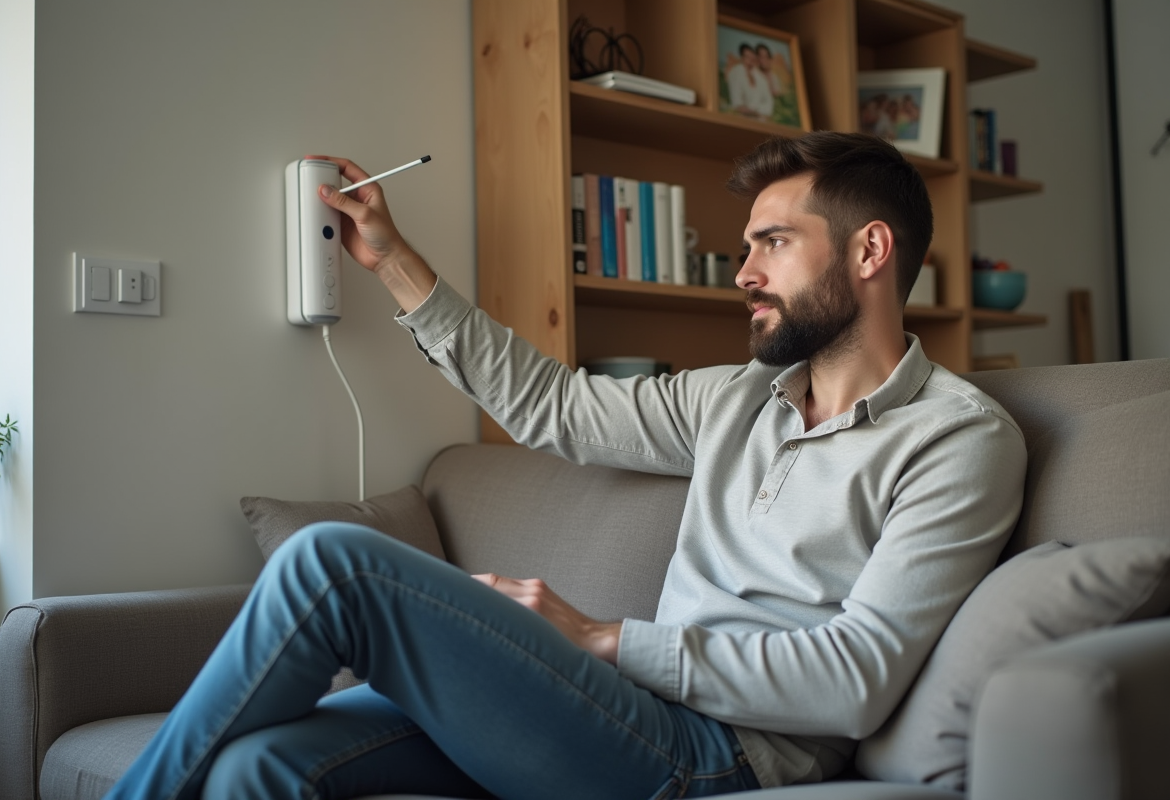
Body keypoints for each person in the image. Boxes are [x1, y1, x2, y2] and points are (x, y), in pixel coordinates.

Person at [104, 132, 1026, 799]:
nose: (743, 272)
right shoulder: (737, 398)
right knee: (256, 766)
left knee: (331, 562)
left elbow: (857, 680)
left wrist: (602, 638)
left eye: (773, 244)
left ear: (870, 250)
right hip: (620, 706)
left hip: (720, 754)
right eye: (746, 247)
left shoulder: (956, 440)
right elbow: (554, 406)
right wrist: (392, 264)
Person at [725, 44, 774, 119]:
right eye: (747, 56)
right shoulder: (736, 73)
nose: (750, 59)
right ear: (742, 58)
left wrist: (758, 113)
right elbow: (737, 102)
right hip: (740, 118)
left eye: (752, 56)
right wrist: (753, 112)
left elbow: (768, 102)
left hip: (761, 119)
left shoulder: (761, 78)